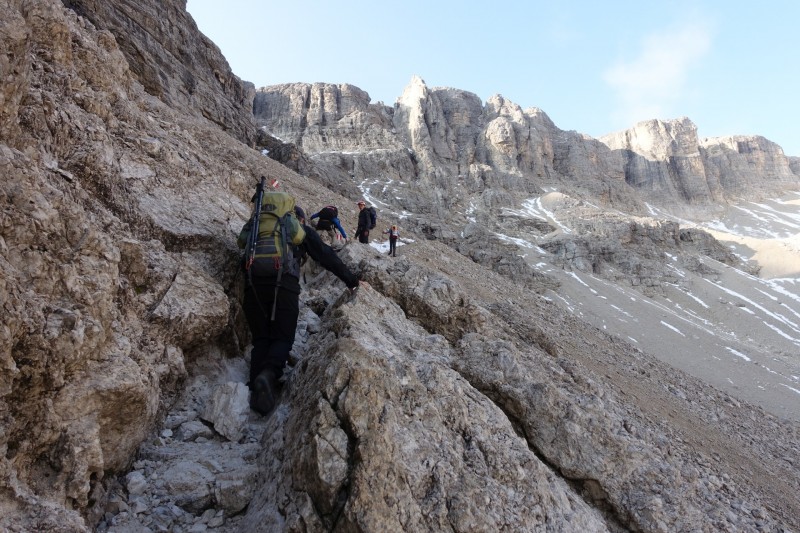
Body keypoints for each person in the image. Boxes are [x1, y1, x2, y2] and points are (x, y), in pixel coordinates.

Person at [238, 202, 360, 416]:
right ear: (298, 220)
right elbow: (326, 255)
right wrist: (351, 281)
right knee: (283, 337)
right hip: (284, 287)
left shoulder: (259, 228)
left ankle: (255, 391)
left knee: (261, 339)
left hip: (252, 286)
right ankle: (268, 374)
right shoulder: (299, 230)